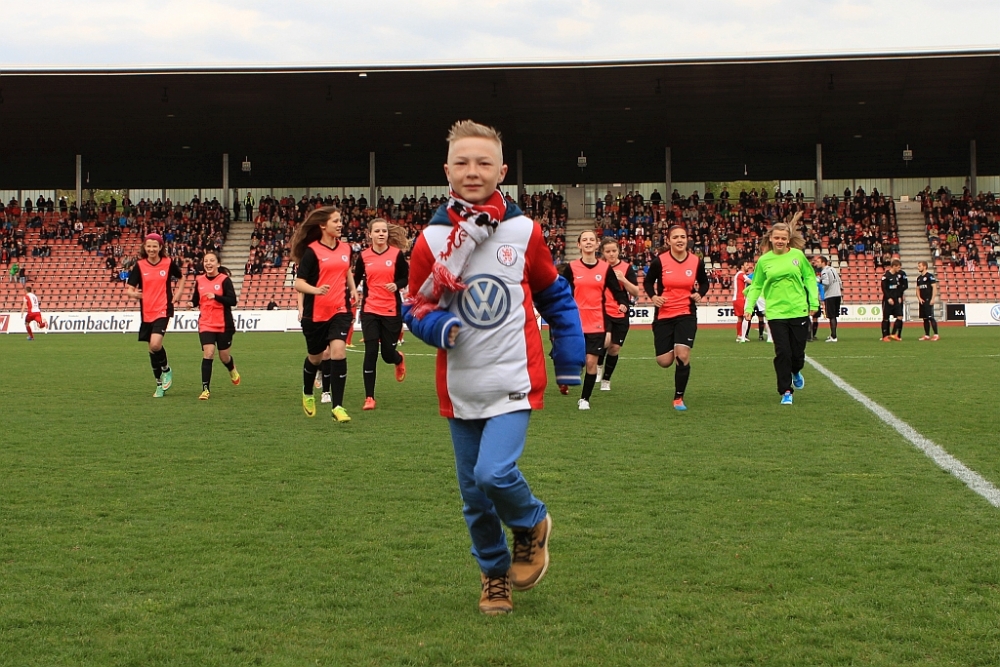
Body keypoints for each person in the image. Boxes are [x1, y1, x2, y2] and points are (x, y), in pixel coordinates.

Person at [402, 119, 584, 616]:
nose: (472, 171)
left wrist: (569, 354)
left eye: (483, 162)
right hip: (460, 386)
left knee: (494, 473)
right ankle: (494, 575)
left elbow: (554, 295)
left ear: (502, 171)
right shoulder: (430, 239)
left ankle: (530, 521)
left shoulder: (524, 231)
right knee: (474, 497)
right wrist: (437, 326)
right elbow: (413, 307)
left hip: (513, 380)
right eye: (461, 162)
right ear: (446, 171)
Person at [290, 206, 359, 422]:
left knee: (338, 352)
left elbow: (346, 269)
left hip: (340, 309)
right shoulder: (312, 252)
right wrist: (316, 290)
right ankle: (308, 392)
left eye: (340, 220)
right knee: (316, 357)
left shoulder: (346, 248)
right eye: (335, 221)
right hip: (315, 314)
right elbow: (298, 283)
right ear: (322, 225)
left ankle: (338, 406)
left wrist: (353, 289)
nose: (340, 224)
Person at [743, 218, 819, 406]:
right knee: (783, 352)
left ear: (788, 239)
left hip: (798, 309)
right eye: (776, 237)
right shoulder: (764, 260)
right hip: (776, 313)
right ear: (770, 238)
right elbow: (756, 285)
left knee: (797, 354)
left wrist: (814, 301)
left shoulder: (797, 256)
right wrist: (749, 307)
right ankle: (786, 391)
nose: (780, 241)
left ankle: (796, 371)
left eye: (783, 238)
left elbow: (809, 278)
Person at [642, 224, 709, 411]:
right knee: (664, 361)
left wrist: (700, 294)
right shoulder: (660, 261)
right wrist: (653, 297)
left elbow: (704, 282)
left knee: (683, 355)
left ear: (687, 239)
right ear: (668, 241)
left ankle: (678, 397)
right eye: (675, 237)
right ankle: (672, 345)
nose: (680, 240)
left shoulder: (696, 261)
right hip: (664, 314)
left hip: (686, 313)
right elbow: (648, 282)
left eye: (683, 237)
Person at [560, 230, 629, 410]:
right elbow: (560, 290)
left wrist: (623, 303)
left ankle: (585, 399)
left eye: (592, 239)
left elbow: (617, 291)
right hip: (576, 322)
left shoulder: (605, 269)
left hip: (597, 322)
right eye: (585, 240)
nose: (588, 242)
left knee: (591, 362)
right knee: (577, 360)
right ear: (579, 245)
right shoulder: (572, 268)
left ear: (597, 244)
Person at [353, 218, 409, 410]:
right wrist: (349, 293)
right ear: (370, 234)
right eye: (377, 231)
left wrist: (397, 284)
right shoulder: (363, 256)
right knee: (370, 353)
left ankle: (398, 358)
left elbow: (405, 277)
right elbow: (355, 278)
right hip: (370, 310)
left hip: (391, 310)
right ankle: (369, 397)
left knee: (386, 354)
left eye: (384, 231)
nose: (381, 234)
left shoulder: (396, 255)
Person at [126, 233, 189, 397]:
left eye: (155, 246)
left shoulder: (167, 263)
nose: (152, 249)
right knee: (151, 350)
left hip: (163, 309)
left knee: (155, 344)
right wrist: (135, 294)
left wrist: (179, 293)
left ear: (160, 247)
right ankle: (159, 385)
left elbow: (181, 277)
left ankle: (166, 370)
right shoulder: (140, 265)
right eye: (149, 246)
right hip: (147, 312)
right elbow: (129, 289)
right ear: (145, 247)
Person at [191, 250, 240, 400]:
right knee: (209, 353)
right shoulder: (199, 280)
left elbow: (232, 301)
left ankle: (231, 368)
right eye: (206, 261)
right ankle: (205, 389)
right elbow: (195, 299)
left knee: (224, 357)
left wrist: (216, 297)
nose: (208, 263)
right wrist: (191, 303)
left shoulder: (224, 280)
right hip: (206, 323)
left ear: (218, 264)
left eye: (212, 260)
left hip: (224, 324)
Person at [596, 237, 639, 391]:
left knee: (614, 348)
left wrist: (624, 280)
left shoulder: (626, 268)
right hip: (602, 311)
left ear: (619, 251)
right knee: (605, 341)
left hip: (620, 312)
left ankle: (606, 380)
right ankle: (598, 364)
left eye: (614, 251)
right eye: (608, 251)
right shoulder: (597, 267)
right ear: (602, 252)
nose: (611, 254)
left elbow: (636, 292)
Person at [816, 255, 843, 342]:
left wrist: (818, 280)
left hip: (830, 295)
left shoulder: (824, 271)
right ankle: (833, 334)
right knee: (834, 316)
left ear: (823, 262)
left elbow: (826, 282)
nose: (816, 263)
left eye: (818, 262)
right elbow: (839, 281)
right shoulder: (833, 269)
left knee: (831, 316)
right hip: (837, 294)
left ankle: (834, 337)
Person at [880, 259, 907, 341]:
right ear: (894, 266)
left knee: (900, 316)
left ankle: (893, 334)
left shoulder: (897, 276)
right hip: (888, 300)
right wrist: (888, 298)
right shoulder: (886, 276)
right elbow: (884, 289)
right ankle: (885, 336)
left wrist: (899, 296)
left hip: (896, 299)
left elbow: (899, 287)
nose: (899, 269)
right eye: (898, 267)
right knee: (886, 318)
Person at [915, 261, 940, 341]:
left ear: (925, 266)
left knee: (931, 317)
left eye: (920, 266)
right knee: (925, 318)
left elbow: (934, 287)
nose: (918, 267)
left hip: (928, 300)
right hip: (922, 301)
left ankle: (936, 334)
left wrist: (933, 298)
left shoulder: (930, 276)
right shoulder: (919, 278)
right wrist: (919, 298)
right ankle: (927, 335)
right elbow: (917, 289)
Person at [732, 260, 754, 342]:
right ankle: (741, 336)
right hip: (740, 298)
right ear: (742, 266)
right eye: (746, 265)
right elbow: (751, 282)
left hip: (738, 298)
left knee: (740, 318)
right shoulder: (741, 274)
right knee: (744, 317)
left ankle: (740, 335)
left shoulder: (739, 274)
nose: (748, 266)